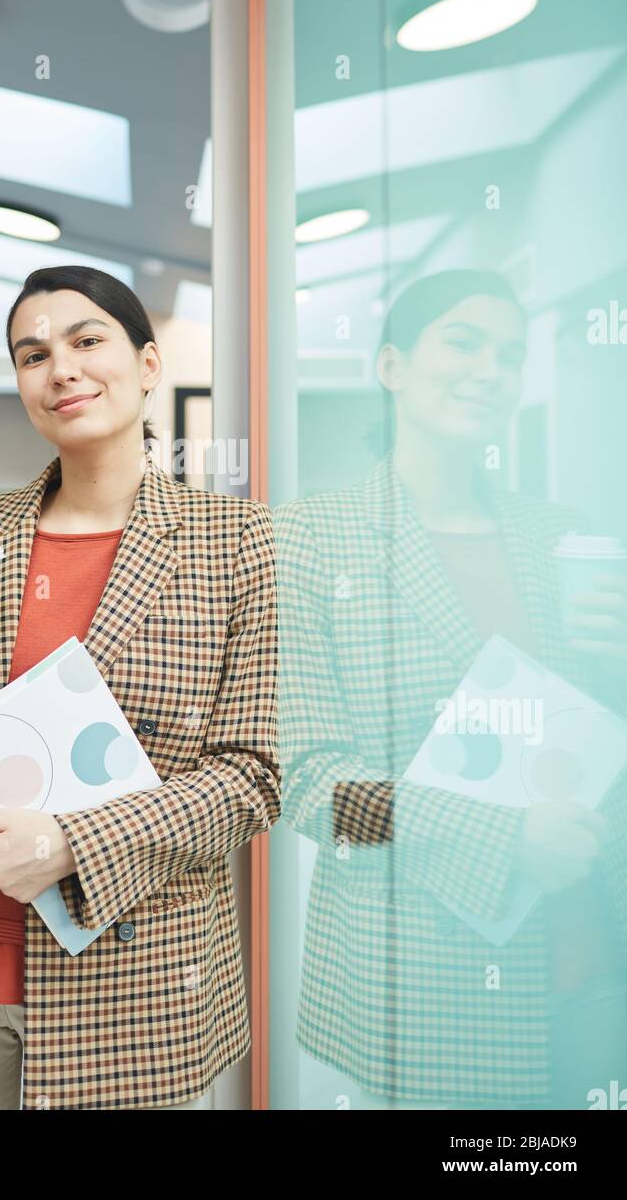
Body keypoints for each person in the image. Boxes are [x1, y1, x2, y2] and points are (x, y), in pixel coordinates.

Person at [0, 264, 281, 1110]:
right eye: (32, 355)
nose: (59, 367)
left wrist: (74, 844)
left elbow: (253, 777)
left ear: (146, 365)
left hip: (134, 963)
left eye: (86, 340)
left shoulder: (239, 544)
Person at [274, 269, 627, 1109]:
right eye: (463, 342)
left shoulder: (564, 538)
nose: (489, 370)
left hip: (593, 968)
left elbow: (596, 738)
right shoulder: (308, 541)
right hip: (427, 985)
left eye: (510, 355)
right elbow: (310, 786)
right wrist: (504, 837)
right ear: (392, 367)